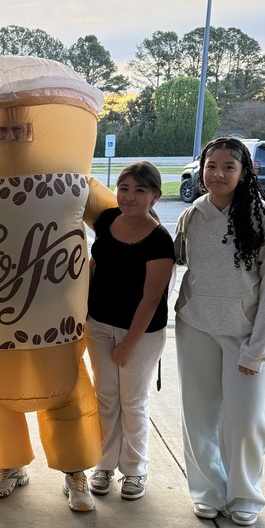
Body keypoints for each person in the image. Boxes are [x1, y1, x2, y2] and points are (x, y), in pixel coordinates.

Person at [174, 137, 265, 526]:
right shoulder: (194, 213)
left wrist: (257, 349)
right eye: (211, 166)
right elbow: (173, 260)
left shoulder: (263, 219)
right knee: (199, 416)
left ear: (244, 173)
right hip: (196, 328)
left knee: (244, 421)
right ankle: (208, 490)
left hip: (246, 337)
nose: (218, 174)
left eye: (229, 166)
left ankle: (245, 495)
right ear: (202, 169)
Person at [86, 162, 175, 501]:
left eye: (140, 190)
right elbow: (97, 262)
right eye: (124, 188)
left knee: (132, 401)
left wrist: (127, 345)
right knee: (106, 399)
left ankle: (135, 470)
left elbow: (151, 300)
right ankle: (105, 464)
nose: (129, 196)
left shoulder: (159, 241)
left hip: (140, 333)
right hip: (98, 325)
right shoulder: (107, 220)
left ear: (155, 196)